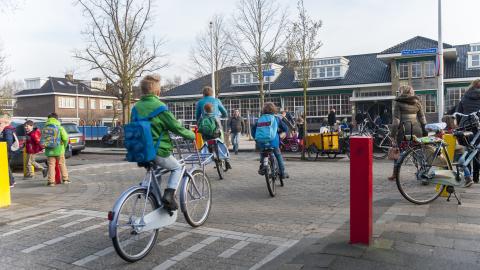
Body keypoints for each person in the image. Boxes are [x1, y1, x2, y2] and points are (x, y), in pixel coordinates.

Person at [132, 75, 196, 211]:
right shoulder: (160, 107)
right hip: (157, 150)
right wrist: (191, 135)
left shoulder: (136, 107)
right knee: (177, 168)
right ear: (157, 92)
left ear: (143, 91)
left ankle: (154, 202)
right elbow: (176, 127)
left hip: (139, 150)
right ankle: (169, 196)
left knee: (157, 174)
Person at [389, 85, 428, 182]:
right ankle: (424, 174)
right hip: (417, 131)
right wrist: (425, 132)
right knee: (419, 153)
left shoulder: (398, 103)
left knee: (398, 152)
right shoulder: (417, 103)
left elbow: (396, 122)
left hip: (404, 132)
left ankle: (395, 174)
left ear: (402, 92)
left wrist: (392, 135)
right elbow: (423, 120)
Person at [252, 102, 289, 179]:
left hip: (261, 142)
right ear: (273, 110)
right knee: (278, 155)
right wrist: (283, 133)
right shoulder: (276, 118)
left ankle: (263, 166)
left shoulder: (260, 119)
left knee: (263, 152)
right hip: (273, 142)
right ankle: (282, 173)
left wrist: (255, 139)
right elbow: (286, 128)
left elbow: (253, 129)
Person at [455, 79, 480, 185]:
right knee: (476, 152)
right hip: (477, 126)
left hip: (464, 127)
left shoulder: (465, 96)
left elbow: (458, 113)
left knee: (466, 151)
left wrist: (461, 125)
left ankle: (468, 176)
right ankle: (475, 178)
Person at [199, 103, 232, 169]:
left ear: (204, 110)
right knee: (223, 144)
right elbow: (219, 127)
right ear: (212, 110)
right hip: (215, 135)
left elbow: (199, 127)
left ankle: (213, 158)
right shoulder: (215, 117)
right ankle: (227, 160)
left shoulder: (202, 118)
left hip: (206, 137)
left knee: (207, 146)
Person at [43, 113, 70, 186]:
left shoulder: (45, 127)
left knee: (51, 165)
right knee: (62, 164)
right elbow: (65, 138)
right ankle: (65, 179)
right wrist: (64, 146)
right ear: (56, 119)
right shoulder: (60, 127)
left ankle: (51, 181)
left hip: (49, 150)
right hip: (59, 149)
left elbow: (43, 139)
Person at [0, 112, 16, 187]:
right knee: (7, 166)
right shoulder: (6, 130)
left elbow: (8, 142)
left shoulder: (7, 130)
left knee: (5, 166)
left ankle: (10, 182)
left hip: (6, 151)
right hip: (6, 151)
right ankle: (12, 180)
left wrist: (6, 150)